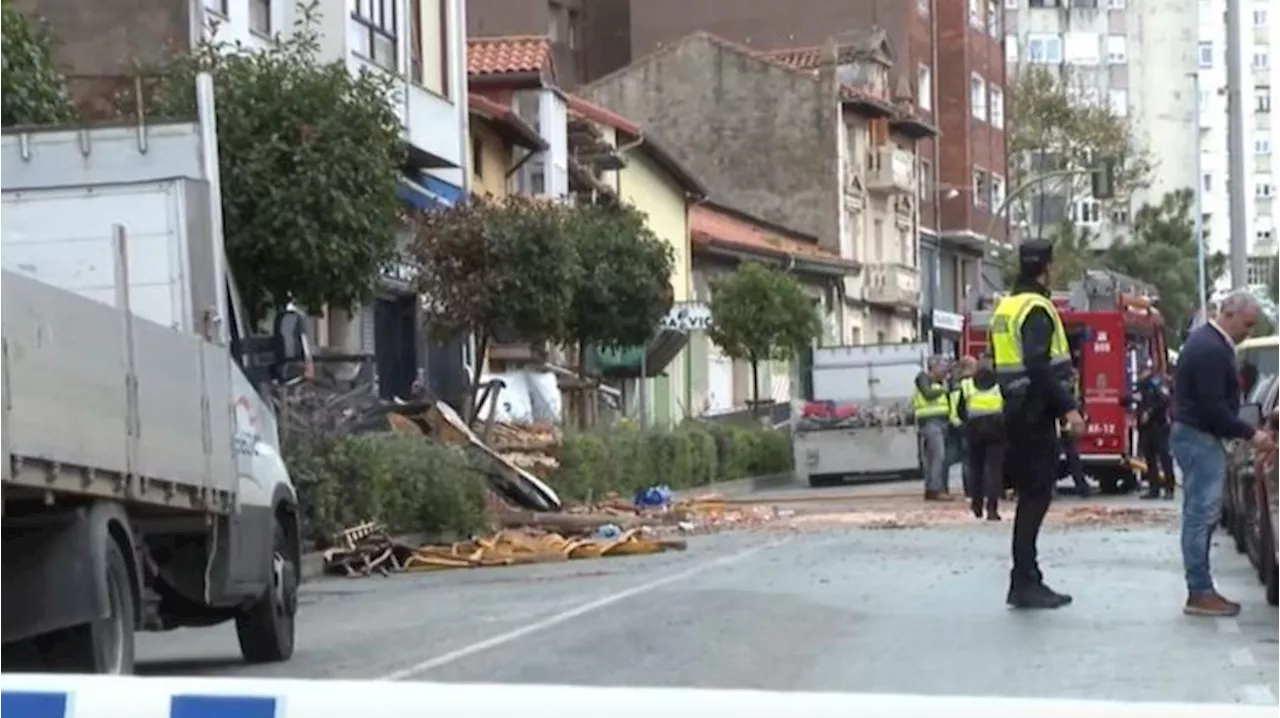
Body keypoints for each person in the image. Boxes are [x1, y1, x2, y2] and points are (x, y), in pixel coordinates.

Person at [989, 239, 1085, 610]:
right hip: (1033, 413)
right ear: (1047, 267)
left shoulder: (1007, 306)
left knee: (1032, 497)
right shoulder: (1036, 308)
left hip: (1014, 411)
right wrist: (1068, 408)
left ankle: (1026, 577)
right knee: (1035, 498)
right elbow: (1038, 365)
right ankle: (1025, 580)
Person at [1171, 291, 1272, 617]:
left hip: (1197, 436)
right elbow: (1212, 406)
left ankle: (1200, 589)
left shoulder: (1206, 344)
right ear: (1228, 315)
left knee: (1199, 515)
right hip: (1200, 438)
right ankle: (1199, 591)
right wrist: (1250, 433)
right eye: (1247, 324)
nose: (1249, 332)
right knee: (1201, 516)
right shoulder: (1211, 350)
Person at [956, 353, 1006, 521]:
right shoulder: (1000, 383)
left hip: (974, 430)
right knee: (994, 470)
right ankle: (992, 508)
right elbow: (1008, 406)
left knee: (976, 469)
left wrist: (968, 423)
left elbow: (960, 410)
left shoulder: (967, 385)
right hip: (996, 429)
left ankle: (976, 505)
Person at [1132, 363, 1175, 500]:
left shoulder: (1156, 383)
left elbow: (1164, 400)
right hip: (1146, 429)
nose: (1140, 374)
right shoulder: (1140, 385)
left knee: (1164, 459)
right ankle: (1154, 489)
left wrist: (1150, 412)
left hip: (1159, 427)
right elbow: (1131, 397)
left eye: (1142, 371)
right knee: (1150, 460)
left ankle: (1169, 488)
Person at [913, 356, 952, 501]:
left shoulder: (939, 382)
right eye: (941, 366)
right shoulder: (924, 380)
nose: (944, 370)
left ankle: (930, 489)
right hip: (930, 422)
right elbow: (928, 395)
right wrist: (943, 391)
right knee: (938, 457)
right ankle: (936, 489)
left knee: (931, 458)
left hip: (939, 422)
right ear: (932, 367)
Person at [949, 356, 978, 497]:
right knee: (972, 461)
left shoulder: (956, 386)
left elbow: (954, 413)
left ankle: (970, 492)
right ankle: (974, 491)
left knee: (968, 461)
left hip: (966, 428)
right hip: (971, 428)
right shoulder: (969, 385)